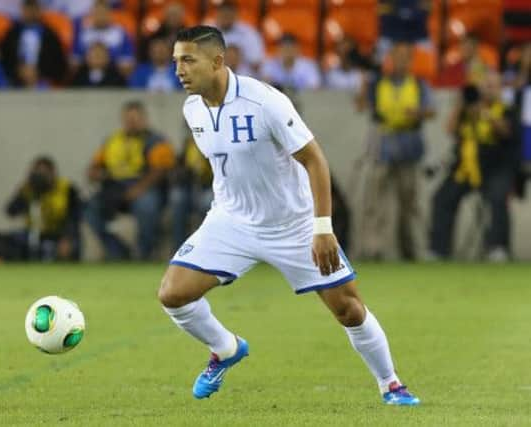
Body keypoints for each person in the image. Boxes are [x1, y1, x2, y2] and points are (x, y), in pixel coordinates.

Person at [158, 25, 420, 406]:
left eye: (188, 60)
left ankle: (391, 384)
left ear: (217, 61)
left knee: (348, 309)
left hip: (293, 225)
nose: (179, 70)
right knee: (173, 295)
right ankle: (226, 348)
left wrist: (322, 228)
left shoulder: (266, 102)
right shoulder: (192, 108)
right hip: (231, 221)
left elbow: (314, 160)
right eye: (175, 61)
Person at [358, 42, 435, 261]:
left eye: (405, 57)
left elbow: (431, 110)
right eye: (397, 57)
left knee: (409, 203)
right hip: (383, 145)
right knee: (375, 202)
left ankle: (411, 249)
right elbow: (363, 106)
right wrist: (364, 82)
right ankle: (373, 249)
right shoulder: (377, 84)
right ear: (390, 59)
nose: (401, 61)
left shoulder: (419, 85)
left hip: (410, 144)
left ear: (410, 61)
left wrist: (418, 113)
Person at [429, 75, 517, 261]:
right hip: (466, 169)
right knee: (442, 197)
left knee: (498, 197)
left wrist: (486, 114)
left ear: (500, 90)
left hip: (495, 167)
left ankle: (497, 248)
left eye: (492, 86)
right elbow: (450, 130)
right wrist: (460, 106)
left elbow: (506, 132)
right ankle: (439, 250)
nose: (488, 91)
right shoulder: (466, 111)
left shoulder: (507, 109)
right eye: (485, 86)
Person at [84, 100, 175, 261]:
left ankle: (144, 253)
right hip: (115, 188)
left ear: (144, 119)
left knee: (147, 206)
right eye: (128, 119)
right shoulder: (112, 140)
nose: (131, 123)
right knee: (90, 209)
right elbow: (94, 166)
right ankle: (118, 251)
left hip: (145, 188)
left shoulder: (156, 140)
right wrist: (95, 173)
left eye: (135, 119)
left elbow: (160, 170)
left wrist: (138, 189)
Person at [0, 156, 82, 262]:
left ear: (53, 173)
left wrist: (67, 238)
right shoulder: (28, 189)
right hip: (33, 234)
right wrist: (21, 193)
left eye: (44, 173)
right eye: (37, 172)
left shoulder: (66, 188)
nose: (40, 176)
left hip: (58, 233)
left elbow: (75, 217)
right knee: (4, 241)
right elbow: (10, 211)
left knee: (73, 247)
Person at [0, 0, 68, 88]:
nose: (30, 13)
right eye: (27, 10)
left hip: (43, 81)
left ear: (39, 11)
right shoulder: (12, 34)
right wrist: (18, 70)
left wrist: (39, 72)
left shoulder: (50, 35)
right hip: (15, 80)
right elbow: (4, 58)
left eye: (33, 10)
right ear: (22, 11)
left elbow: (59, 63)